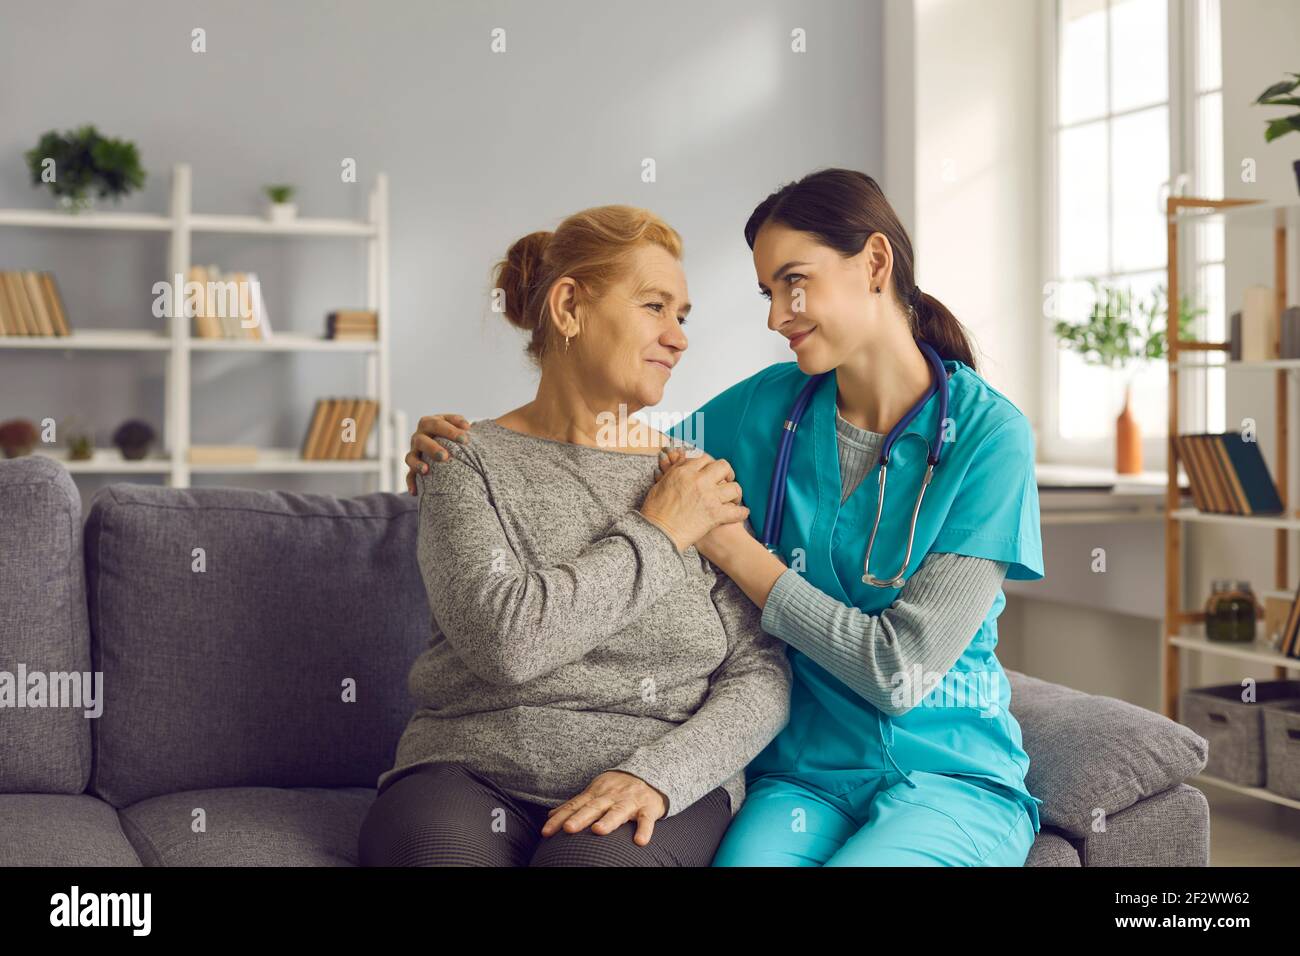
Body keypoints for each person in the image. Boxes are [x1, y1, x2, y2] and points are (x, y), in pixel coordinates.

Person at [409, 168, 1045, 866]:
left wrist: (733, 548)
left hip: (944, 768)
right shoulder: (765, 409)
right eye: (768, 293)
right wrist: (458, 451)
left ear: (874, 263)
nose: (776, 317)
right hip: (803, 777)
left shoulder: (989, 437)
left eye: (793, 284)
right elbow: (603, 441)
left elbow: (899, 672)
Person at [359, 204, 791, 868]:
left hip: (651, 777)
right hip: (469, 772)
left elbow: (760, 674)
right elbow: (508, 643)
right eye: (655, 306)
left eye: (683, 316)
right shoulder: (462, 461)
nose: (678, 338)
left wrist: (662, 775)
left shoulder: (695, 479)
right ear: (568, 307)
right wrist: (659, 530)